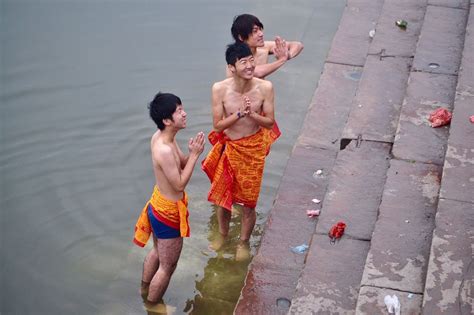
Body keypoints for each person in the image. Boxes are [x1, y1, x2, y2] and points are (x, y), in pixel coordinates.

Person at [202, 42, 281, 261]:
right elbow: (217, 125)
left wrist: (251, 115)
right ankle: (223, 235)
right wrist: (238, 114)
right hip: (230, 148)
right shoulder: (220, 89)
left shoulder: (265, 88)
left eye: (251, 60)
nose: (249, 65)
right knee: (223, 198)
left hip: (253, 150)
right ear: (232, 67)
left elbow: (269, 122)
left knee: (248, 203)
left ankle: (243, 242)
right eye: (243, 62)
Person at [133, 92, 205, 309]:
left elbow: (179, 163)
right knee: (168, 266)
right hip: (167, 214)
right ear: (166, 120)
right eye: (179, 111)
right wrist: (194, 156)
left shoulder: (163, 136)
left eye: (182, 108)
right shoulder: (163, 149)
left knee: (157, 252)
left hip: (158, 205)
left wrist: (191, 154)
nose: (184, 114)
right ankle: (152, 306)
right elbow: (179, 184)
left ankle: (144, 290)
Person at [229, 13, 304, 78]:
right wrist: (282, 60)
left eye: (260, 29)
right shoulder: (234, 55)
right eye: (255, 31)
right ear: (241, 37)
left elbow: (297, 45)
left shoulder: (264, 47)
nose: (261, 34)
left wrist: (288, 55)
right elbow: (257, 72)